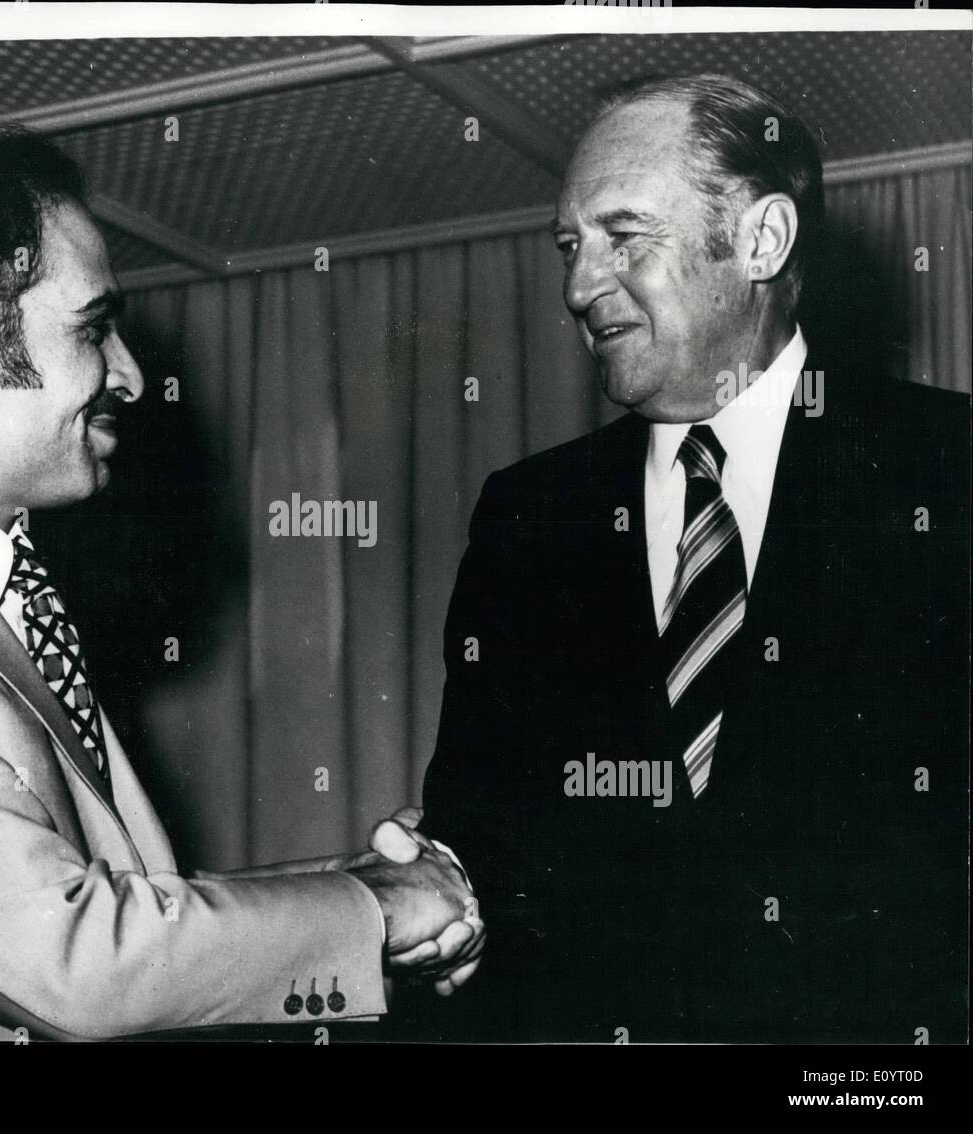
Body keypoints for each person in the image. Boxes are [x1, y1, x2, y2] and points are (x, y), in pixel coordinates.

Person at [0, 132, 482, 1040]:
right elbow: (78, 966)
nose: (132, 377)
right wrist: (374, 911)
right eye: (94, 329)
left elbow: (116, 907)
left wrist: (354, 898)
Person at [408, 74, 968, 1043]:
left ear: (762, 240)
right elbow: (482, 826)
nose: (578, 286)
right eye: (569, 248)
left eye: (622, 236)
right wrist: (442, 891)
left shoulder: (949, 470)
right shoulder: (525, 518)